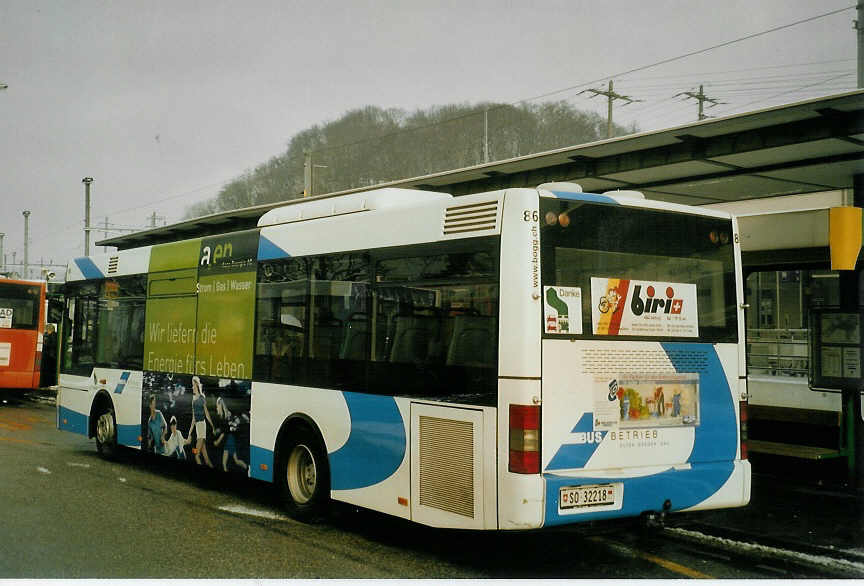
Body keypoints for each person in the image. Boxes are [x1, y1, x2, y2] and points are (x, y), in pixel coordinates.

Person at [213, 396, 249, 473]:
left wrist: (217, 441)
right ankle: (247, 468)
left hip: (230, 439)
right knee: (235, 460)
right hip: (231, 439)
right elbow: (225, 428)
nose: (216, 409)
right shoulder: (227, 414)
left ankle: (247, 468)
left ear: (220, 406)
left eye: (217, 407)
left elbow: (225, 431)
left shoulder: (226, 415)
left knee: (225, 463)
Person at [187, 376, 215, 468]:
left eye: (194, 385)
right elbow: (193, 419)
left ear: (197, 386)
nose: (192, 387)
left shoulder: (202, 398)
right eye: (192, 385)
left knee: (196, 454)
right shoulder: (193, 400)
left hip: (202, 426)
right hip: (197, 427)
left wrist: (212, 425)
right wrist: (190, 432)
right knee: (205, 457)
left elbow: (207, 414)